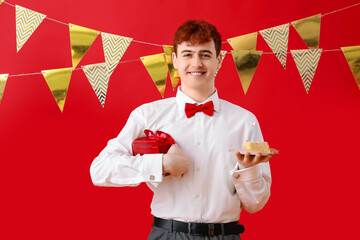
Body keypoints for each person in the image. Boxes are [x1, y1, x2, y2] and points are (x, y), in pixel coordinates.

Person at [90, 20, 273, 240]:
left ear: (219, 60)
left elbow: (255, 205)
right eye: (187, 54)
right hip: (167, 234)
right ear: (175, 60)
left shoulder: (245, 121)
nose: (196, 63)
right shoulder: (148, 115)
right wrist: (161, 165)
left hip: (226, 235)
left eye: (205, 54)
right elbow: (99, 170)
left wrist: (246, 169)